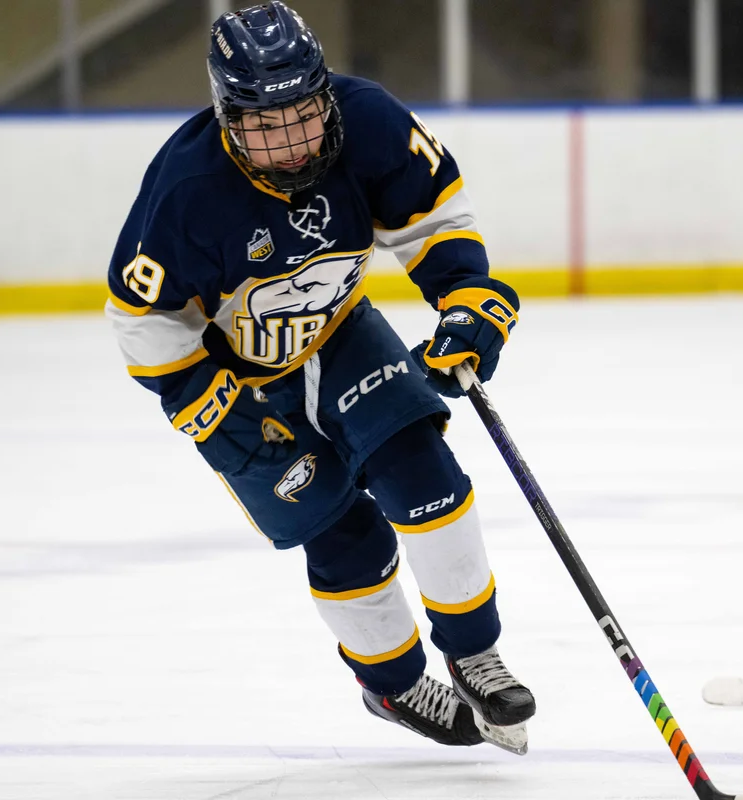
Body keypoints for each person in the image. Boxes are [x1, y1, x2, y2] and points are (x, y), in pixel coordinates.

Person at [105, 1, 534, 753]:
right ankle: (394, 687)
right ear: (228, 115)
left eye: (301, 114)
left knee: (422, 469)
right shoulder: (186, 190)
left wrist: (467, 302)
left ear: (324, 92)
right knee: (343, 535)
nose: (290, 142)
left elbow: (433, 220)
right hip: (234, 382)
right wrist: (214, 408)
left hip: (337, 330)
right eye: (264, 125)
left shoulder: (368, 122)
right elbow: (141, 317)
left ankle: (472, 650)